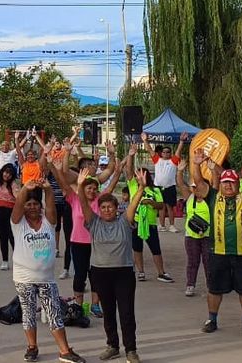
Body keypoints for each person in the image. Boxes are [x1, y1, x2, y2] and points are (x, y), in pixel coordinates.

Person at [191, 146, 242, 337]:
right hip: (217, 253)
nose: (227, 185)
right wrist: (195, 164)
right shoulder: (212, 197)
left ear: (237, 184)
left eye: (231, 182)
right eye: (225, 182)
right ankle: (212, 319)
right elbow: (198, 182)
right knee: (214, 289)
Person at [73, 165, 147, 363]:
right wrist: (80, 186)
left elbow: (134, 203)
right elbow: (84, 204)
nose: (106, 210)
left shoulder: (124, 221)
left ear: (116, 209)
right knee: (108, 313)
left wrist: (141, 187)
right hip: (100, 273)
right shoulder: (94, 222)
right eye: (103, 207)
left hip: (123, 273)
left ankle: (131, 349)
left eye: (110, 207)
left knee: (127, 313)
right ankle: (112, 346)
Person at [11, 174, 85, 363]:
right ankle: (32, 347)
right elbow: (18, 206)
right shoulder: (18, 224)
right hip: (24, 278)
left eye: (36, 204)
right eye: (29, 205)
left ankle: (64, 351)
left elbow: (51, 206)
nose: (33, 207)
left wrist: (47, 189)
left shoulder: (48, 222)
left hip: (46, 279)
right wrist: (25, 189)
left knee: (54, 314)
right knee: (28, 314)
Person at [56, 143, 121, 316]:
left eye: (94, 188)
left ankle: (95, 304)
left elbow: (111, 184)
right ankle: (79, 306)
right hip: (78, 242)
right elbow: (63, 181)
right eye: (88, 188)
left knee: (96, 275)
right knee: (80, 275)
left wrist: (115, 160)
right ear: (82, 189)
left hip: (96, 243)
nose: (92, 190)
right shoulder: (75, 199)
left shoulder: (100, 200)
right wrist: (66, 153)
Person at [127, 159, 172, 283]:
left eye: (142, 175)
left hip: (150, 223)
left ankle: (161, 272)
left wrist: (150, 202)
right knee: (137, 248)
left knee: (155, 249)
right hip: (136, 223)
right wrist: (131, 156)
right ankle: (141, 271)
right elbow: (128, 171)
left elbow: (161, 206)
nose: (139, 177)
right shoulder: (133, 187)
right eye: (137, 175)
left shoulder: (155, 190)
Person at [178, 154, 211, 297]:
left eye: (198, 186)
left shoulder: (210, 198)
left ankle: (212, 286)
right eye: (193, 187)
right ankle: (190, 285)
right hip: (191, 236)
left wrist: (211, 168)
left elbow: (214, 183)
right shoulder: (189, 197)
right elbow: (180, 184)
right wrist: (179, 171)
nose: (195, 189)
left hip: (207, 235)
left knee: (208, 262)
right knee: (193, 261)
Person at [142, 131, 185, 233]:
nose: (165, 153)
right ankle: (161, 225)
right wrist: (145, 140)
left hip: (170, 187)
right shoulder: (157, 160)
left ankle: (172, 225)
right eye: (164, 152)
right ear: (161, 153)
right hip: (158, 187)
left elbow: (178, 151)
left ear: (170, 154)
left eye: (168, 152)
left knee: (170, 207)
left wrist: (181, 141)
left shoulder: (173, 161)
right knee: (161, 207)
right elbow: (149, 150)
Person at [0, 160, 20, 271]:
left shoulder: (13, 185)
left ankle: (18, 261)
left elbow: (18, 197)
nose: (7, 175)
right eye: (6, 172)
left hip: (10, 213)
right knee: (3, 237)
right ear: (2, 172)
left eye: (10, 173)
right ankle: (5, 261)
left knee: (12, 237)